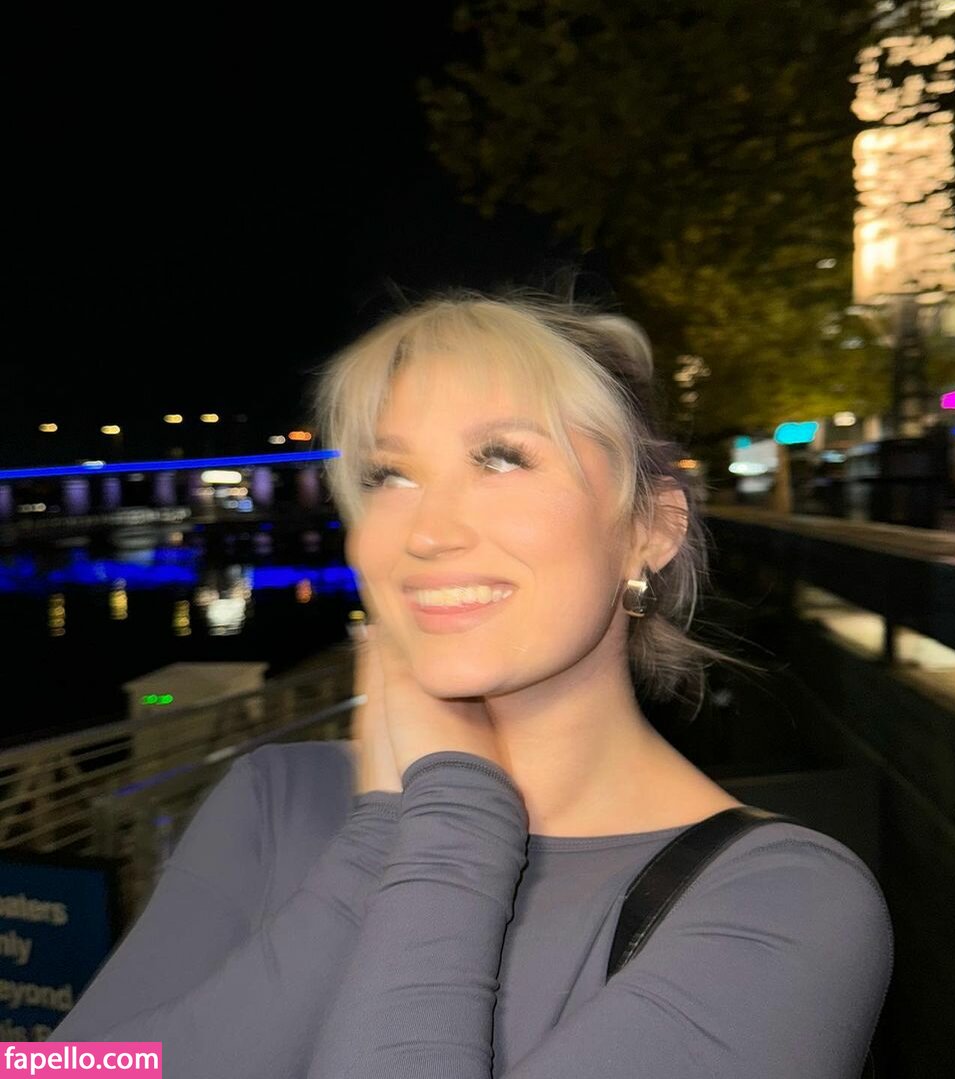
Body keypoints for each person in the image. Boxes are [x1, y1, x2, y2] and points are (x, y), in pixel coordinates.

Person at [51, 292, 892, 1077]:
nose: (427, 532)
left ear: (651, 527)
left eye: (501, 458)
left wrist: (455, 820)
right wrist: (378, 841)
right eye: (389, 475)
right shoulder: (276, 797)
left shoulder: (786, 903)